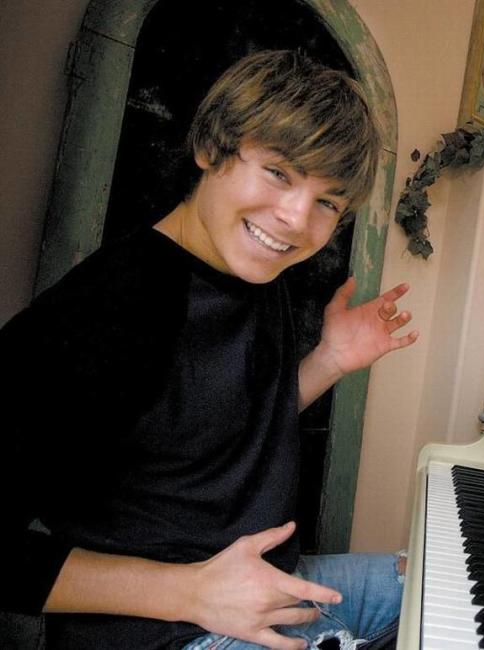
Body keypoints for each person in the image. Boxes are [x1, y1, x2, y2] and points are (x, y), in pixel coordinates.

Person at [0, 50, 417, 649]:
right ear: (211, 148)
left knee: (443, 582)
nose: (298, 219)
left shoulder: (255, 275)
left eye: (328, 201)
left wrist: (330, 360)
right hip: (167, 631)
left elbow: (214, 424)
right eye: (279, 172)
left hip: (265, 587)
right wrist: (192, 592)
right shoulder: (107, 310)